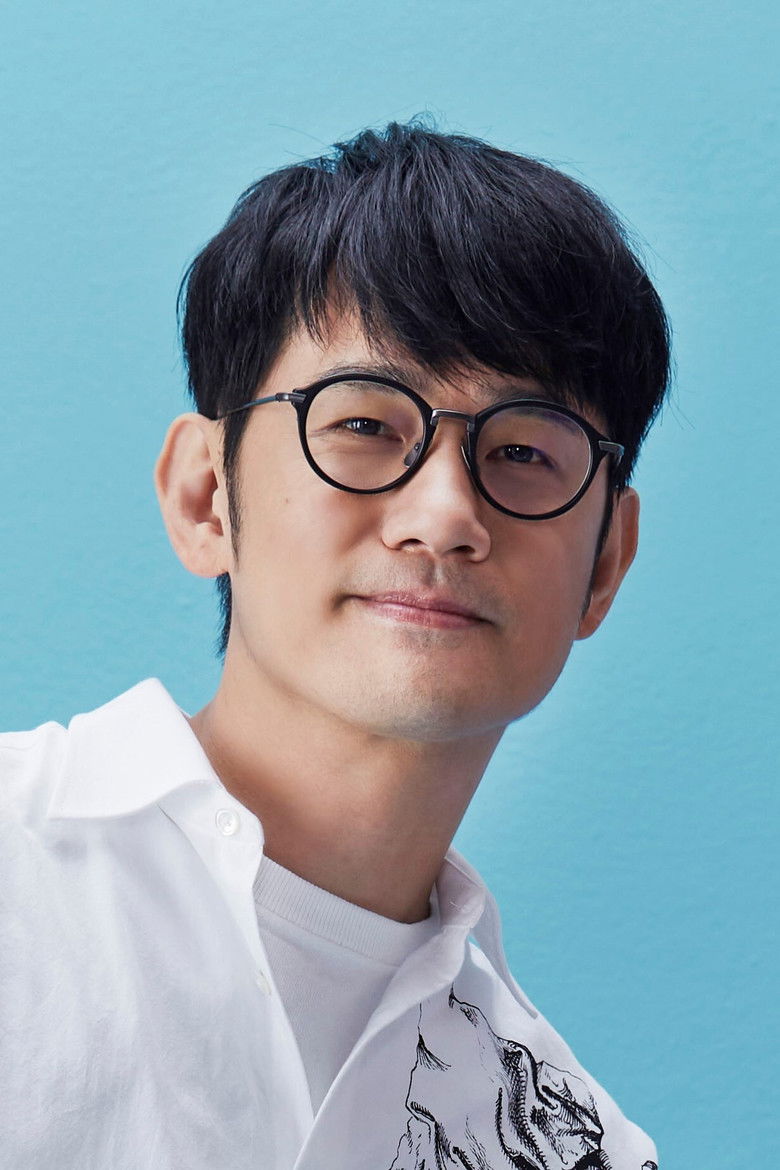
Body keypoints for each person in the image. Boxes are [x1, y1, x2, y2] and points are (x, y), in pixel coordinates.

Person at [0, 122, 669, 1170]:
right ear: (207, 496)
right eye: (364, 426)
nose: (445, 516)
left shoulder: (570, 1143)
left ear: (605, 565)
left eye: (524, 450)